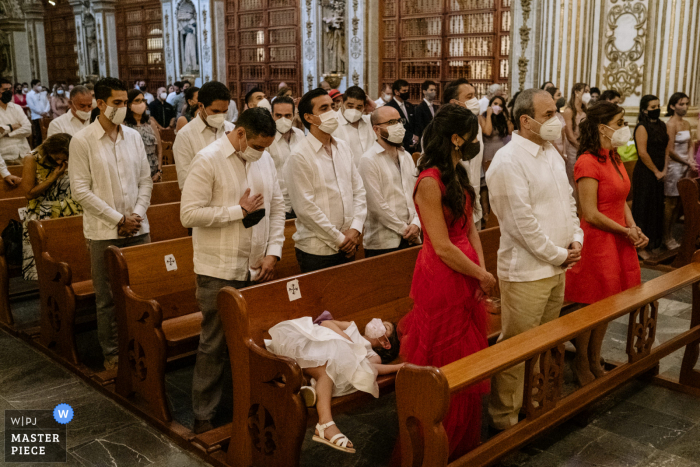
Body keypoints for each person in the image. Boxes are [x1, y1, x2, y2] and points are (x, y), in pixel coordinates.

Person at [180, 108, 284, 434]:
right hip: (218, 268)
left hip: (256, 266)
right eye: (258, 145)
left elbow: (277, 206)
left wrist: (274, 251)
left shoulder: (263, 159)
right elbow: (188, 215)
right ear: (240, 134)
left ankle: (247, 404)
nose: (261, 152)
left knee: (252, 341)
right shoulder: (207, 159)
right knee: (213, 343)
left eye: (266, 147)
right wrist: (235, 211)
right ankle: (204, 414)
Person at [400, 103, 494, 457]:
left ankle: (464, 442)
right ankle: (437, 445)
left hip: (467, 273)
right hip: (442, 276)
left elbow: (471, 227)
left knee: (467, 359)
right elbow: (440, 245)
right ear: (456, 139)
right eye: (472, 136)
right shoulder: (429, 181)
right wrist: (480, 274)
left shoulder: (458, 174)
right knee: (443, 360)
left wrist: (482, 273)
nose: (475, 142)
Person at [486, 89, 583, 430]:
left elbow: (568, 202)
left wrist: (576, 239)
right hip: (527, 271)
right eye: (548, 114)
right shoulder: (508, 161)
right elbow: (520, 225)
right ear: (525, 121)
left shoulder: (552, 153)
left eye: (556, 112)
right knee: (516, 348)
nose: (556, 120)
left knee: (542, 342)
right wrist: (560, 255)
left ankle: (533, 403)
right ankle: (504, 419)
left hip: (558, 266)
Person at [69, 77, 153, 370]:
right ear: (101, 104)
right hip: (104, 231)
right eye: (116, 103)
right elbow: (80, 190)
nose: (123, 108)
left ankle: (142, 348)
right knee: (107, 299)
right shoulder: (82, 140)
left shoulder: (133, 136)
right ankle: (113, 355)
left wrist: (136, 215)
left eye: (125, 102)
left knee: (141, 295)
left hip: (138, 227)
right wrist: (118, 219)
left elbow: (145, 180)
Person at [564, 101, 648, 386]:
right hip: (598, 240)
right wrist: (624, 232)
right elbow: (590, 213)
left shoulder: (614, 157)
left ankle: (596, 356)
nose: (625, 128)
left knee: (610, 303)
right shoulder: (586, 161)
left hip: (619, 236)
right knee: (592, 304)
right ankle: (581, 361)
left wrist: (633, 227)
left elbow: (622, 199)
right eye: (621, 122)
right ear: (603, 127)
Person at [265, 317, 403, 453]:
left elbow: (372, 369)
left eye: (385, 327)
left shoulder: (372, 354)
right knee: (329, 361)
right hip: (314, 345)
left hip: (327, 363)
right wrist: (346, 341)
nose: (377, 323)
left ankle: (307, 390)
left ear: (385, 343)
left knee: (328, 368)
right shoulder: (351, 326)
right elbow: (326, 323)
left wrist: (398, 367)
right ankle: (320, 415)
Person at [285, 88, 367, 273]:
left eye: (332, 106)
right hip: (317, 250)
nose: (332, 112)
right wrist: (339, 239)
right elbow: (306, 208)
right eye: (324, 108)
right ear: (309, 117)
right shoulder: (299, 156)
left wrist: (355, 229)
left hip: (350, 241)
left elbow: (358, 191)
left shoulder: (343, 147)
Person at [359, 105, 421, 257]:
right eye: (391, 122)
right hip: (383, 242)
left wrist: (416, 224)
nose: (398, 126)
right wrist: (403, 229)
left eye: (399, 121)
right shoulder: (368, 160)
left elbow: (416, 195)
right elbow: (376, 205)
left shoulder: (406, 156)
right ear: (376, 129)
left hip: (413, 236)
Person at [20, 133, 83, 280]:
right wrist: (53, 177)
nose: (61, 161)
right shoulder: (32, 158)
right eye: (57, 158)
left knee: (74, 265)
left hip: (70, 210)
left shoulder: (73, 155)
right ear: (49, 151)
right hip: (42, 213)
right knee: (49, 271)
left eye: (64, 158)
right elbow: (29, 194)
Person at [173, 81, 235, 189]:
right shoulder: (185, 136)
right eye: (215, 111)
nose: (220, 116)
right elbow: (186, 182)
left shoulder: (232, 129)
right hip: (202, 199)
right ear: (201, 106)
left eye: (224, 111)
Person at [442, 79, 485, 229]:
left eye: (475, 96)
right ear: (454, 103)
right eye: (469, 97)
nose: (474, 100)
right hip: (452, 208)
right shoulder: (440, 130)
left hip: (474, 203)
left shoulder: (476, 127)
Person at [632, 95, 668, 258]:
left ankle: (653, 241)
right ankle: (640, 247)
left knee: (656, 207)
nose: (657, 110)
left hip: (660, 171)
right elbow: (642, 152)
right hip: (646, 173)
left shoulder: (662, 125)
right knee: (643, 208)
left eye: (658, 106)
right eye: (653, 107)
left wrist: (665, 169)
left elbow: (666, 148)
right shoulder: (641, 126)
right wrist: (656, 171)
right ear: (645, 110)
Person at [663, 92, 694, 250]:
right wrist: (685, 162)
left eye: (686, 103)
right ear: (672, 106)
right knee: (671, 203)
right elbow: (670, 151)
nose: (685, 107)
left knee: (680, 201)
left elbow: (690, 144)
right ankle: (666, 236)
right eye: (681, 104)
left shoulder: (687, 123)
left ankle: (672, 233)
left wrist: (690, 160)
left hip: (685, 165)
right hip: (674, 167)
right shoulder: (670, 125)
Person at [268, 96, 305, 219]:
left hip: (300, 202)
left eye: (287, 115)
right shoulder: (266, 140)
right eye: (278, 115)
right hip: (278, 204)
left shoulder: (299, 134)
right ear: (271, 115)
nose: (283, 119)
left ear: (294, 115)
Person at [124, 89, 163, 182]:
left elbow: (159, 148)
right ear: (129, 105)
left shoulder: (150, 123)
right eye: (137, 101)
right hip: (133, 174)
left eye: (142, 100)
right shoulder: (124, 125)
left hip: (153, 172)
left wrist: (159, 171)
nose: (141, 103)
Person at [333, 86, 376, 166]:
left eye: (359, 107)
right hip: (346, 175)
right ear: (342, 102)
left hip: (370, 172)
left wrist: (374, 106)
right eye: (350, 106)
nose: (354, 110)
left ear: (364, 107)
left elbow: (390, 118)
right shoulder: (332, 123)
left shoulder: (369, 121)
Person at [0, 78, 31, 178]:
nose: (8, 92)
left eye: (10, 90)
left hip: (23, 153)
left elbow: (28, 129)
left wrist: (7, 133)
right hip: (6, 156)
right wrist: (12, 127)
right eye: (5, 90)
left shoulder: (16, 108)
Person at [563, 82, 590, 193]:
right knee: (573, 178)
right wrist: (580, 148)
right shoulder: (569, 111)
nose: (588, 94)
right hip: (574, 148)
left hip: (585, 147)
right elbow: (569, 135)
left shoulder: (586, 111)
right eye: (586, 91)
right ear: (577, 92)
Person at [386, 79, 418, 152]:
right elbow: (393, 127)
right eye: (404, 91)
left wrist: (415, 137)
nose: (407, 93)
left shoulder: (409, 106)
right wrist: (410, 137)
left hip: (412, 146)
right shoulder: (389, 107)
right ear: (397, 92)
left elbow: (414, 123)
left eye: (407, 90)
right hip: (399, 145)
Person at [26, 79, 50, 148]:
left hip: (45, 115)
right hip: (36, 116)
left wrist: (46, 111)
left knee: (47, 132)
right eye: (38, 85)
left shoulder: (43, 93)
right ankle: (39, 147)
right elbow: (31, 106)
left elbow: (47, 103)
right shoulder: (29, 95)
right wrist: (40, 112)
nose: (40, 86)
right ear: (34, 85)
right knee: (39, 134)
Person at [546, 86, 567, 157]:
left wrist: (564, 153)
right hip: (551, 151)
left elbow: (564, 137)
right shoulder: (547, 116)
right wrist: (560, 155)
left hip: (561, 150)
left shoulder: (559, 115)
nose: (561, 97)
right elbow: (550, 140)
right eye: (558, 95)